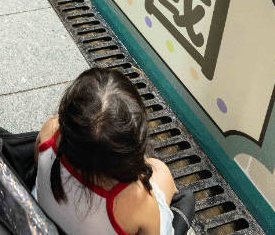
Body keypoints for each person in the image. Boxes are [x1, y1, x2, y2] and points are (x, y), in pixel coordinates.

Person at [35, 68, 179, 235]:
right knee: (160, 170)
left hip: (46, 222)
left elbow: (37, 166)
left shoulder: (50, 133)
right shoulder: (137, 200)